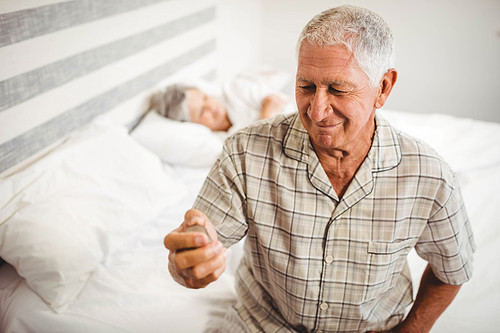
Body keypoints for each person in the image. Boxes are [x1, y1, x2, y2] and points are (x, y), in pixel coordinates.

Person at [164, 5, 475, 332]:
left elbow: (451, 271)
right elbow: (200, 240)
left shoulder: (430, 175)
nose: (317, 109)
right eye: (306, 86)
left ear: (383, 87)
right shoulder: (244, 150)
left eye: (338, 89)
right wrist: (190, 259)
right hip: (264, 324)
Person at [150, 79, 288, 133]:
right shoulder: (218, 143)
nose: (210, 106)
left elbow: (275, 100)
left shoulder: (235, 90)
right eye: (201, 111)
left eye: (205, 98)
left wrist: (262, 130)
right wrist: (267, 112)